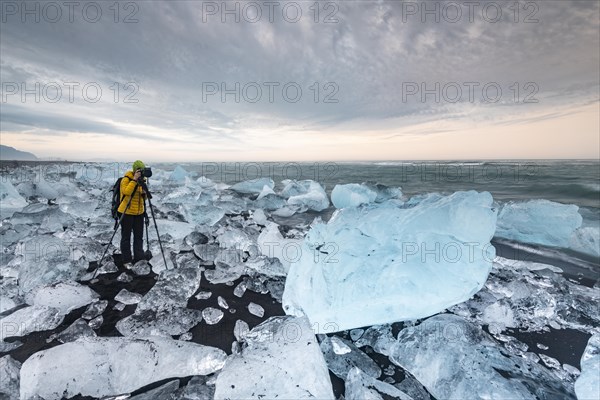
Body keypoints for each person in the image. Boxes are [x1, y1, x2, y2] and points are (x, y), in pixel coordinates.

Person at [118, 160, 147, 267]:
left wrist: (144, 192)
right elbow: (126, 192)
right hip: (126, 212)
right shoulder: (126, 179)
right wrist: (134, 180)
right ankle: (127, 260)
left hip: (139, 212)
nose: (142, 173)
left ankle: (138, 257)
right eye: (140, 170)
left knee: (139, 237)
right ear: (135, 170)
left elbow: (145, 198)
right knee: (126, 237)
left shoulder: (143, 181)